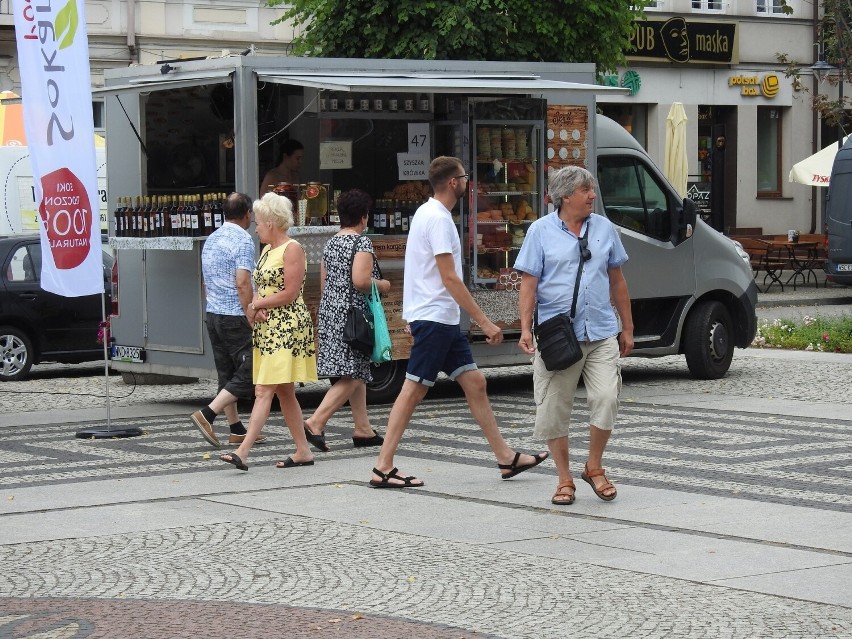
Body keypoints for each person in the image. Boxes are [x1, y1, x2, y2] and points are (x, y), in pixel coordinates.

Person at [369, 156, 549, 488]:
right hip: (436, 318)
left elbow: (419, 271)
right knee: (412, 390)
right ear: (454, 182)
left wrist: (412, 313)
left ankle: (505, 457)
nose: (469, 182)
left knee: (475, 383)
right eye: (465, 177)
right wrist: (485, 320)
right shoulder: (438, 219)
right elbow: (449, 278)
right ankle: (383, 465)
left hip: (441, 319)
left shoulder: (427, 213)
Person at [513, 165, 634, 506]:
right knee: (554, 409)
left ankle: (593, 466)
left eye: (592, 190)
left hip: (600, 332)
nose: (593, 196)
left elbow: (617, 280)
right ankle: (564, 478)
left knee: (607, 398)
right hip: (557, 335)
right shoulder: (540, 232)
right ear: (565, 197)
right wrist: (525, 328)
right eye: (586, 191)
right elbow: (529, 284)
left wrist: (627, 327)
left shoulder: (604, 228)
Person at [220, 192, 318, 471]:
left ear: (272, 223)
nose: (256, 227)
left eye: (260, 223)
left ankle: (243, 450)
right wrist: (258, 306)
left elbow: (290, 292)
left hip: (287, 326)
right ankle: (303, 450)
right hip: (270, 326)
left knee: (264, 390)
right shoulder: (266, 251)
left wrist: (257, 303)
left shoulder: (292, 248)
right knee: (284, 391)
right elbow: (263, 285)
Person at [303, 189, 390, 452]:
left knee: (356, 370)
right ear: (363, 217)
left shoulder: (331, 242)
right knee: (354, 373)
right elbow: (362, 282)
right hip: (354, 316)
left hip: (331, 311)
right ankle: (315, 422)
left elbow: (324, 282)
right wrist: (384, 285)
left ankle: (362, 429)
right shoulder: (361, 243)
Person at [190, 192, 265, 448]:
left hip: (214, 313)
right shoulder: (244, 240)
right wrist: (250, 312)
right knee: (253, 368)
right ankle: (208, 413)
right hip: (235, 314)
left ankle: (235, 428)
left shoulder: (211, 238)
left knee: (226, 372)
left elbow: (205, 280)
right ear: (247, 214)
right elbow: (243, 282)